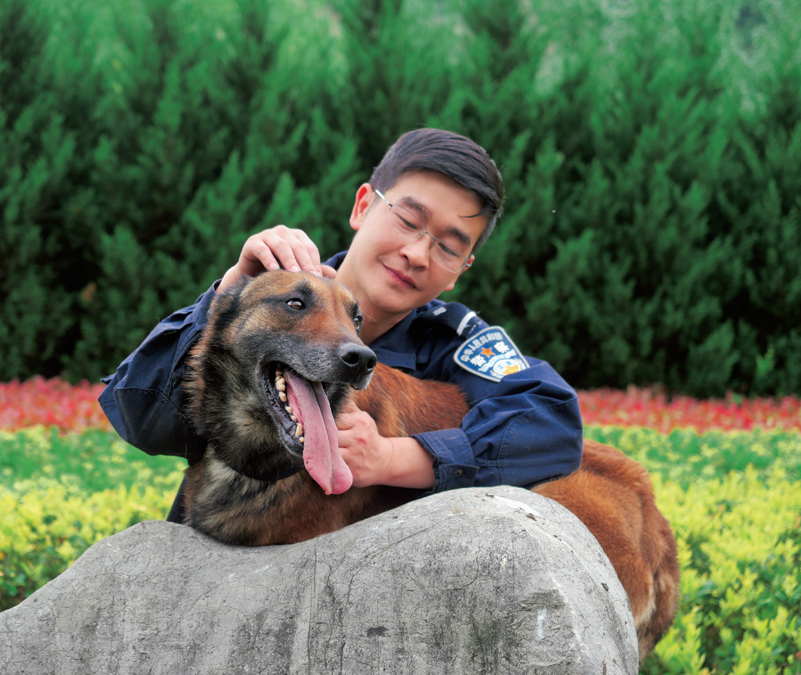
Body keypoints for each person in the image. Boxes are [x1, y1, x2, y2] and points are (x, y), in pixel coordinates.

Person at [99, 128, 583, 524]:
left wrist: (394, 458)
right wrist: (229, 297)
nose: (417, 253)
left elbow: (553, 426)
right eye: (408, 219)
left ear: (462, 269)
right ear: (362, 206)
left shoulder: (451, 340)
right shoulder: (264, 294)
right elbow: (141, 418)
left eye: (449, 247)